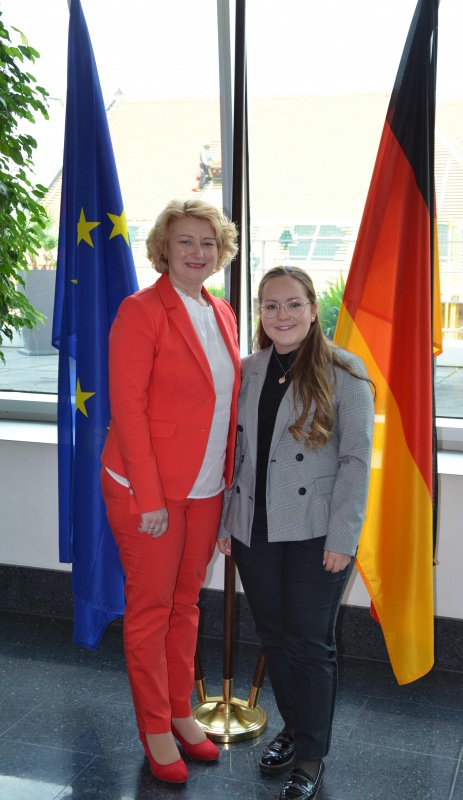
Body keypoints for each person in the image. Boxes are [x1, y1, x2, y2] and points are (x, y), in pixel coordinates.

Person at [218, 265, 374, 800]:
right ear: (259, 313)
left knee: (309, 644)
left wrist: (342, 538)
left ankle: (310, 756)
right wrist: (228, 521)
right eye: (270, 305)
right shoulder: (249, 369)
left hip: (315, 531)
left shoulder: (344, 371)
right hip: (254, 528)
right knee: (274, 637)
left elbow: (356, 460)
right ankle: (292, 726)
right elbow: (238, 453)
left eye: (292, 304)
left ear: (312, 310)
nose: (281, 315)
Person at [100, 198, 240, 783]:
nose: (197, 252)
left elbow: (224, 406)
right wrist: (150, 498)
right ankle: (155, 727)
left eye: (207, 242)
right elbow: (128, 410)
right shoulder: (141, 311)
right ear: (164, 248)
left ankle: (181, 712)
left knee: (185, 605)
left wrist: (227, 494)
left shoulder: (222, 311)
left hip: (205, 488)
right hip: (148, 489)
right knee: (151, 611)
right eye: (185, 241)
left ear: (221, 252)